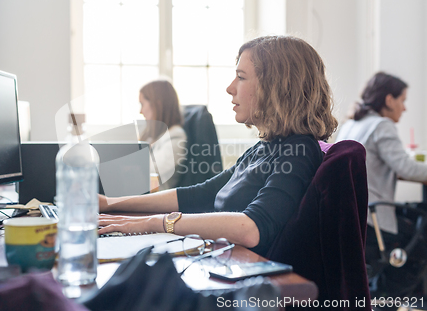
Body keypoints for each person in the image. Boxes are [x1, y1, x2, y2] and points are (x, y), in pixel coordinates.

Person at [99, 36, 338, 256]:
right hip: (229, 260)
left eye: (241, 77)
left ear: (276, 87)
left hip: (253, 280)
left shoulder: (299, 151)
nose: (230, 88)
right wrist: (111, 204)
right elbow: (200, 193)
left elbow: (251, 228)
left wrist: (157, 222)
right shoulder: (264, 147)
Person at [337, 72, 427, 239]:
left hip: (348, 213)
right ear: (389, 100)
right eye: (403, 100)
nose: (405, 108)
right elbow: (409, 169)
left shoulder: (350, 124)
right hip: (372, 218)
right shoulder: (381, 125)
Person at [139, 79, 187, 190]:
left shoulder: (176, 136)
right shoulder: (153, 135)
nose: (141, 111)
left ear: (157, 104)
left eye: (142, 104)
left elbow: (148, 169)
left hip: (157, 198)